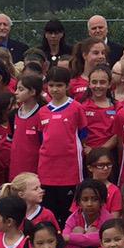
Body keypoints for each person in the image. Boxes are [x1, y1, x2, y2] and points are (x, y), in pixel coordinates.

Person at [38, 66, 89, 225]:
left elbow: (83, 133)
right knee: (49, 211)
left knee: (69, 212)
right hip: (47, 170)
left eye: (59, 85)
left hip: (70, 170)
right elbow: (42, 138)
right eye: (51, 85)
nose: (55, 89)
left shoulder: (76, 108)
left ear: (67, 86)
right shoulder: (43, 111)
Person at [64, 180, 113, 248]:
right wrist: (87, 237)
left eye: (94, 199)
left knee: (91, 239)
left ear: (102, 201)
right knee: (78, 230)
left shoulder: (107, 219)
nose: (89, 204)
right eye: (85, 199)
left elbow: (100, 239)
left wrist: (72, 238)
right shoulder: (73, 217)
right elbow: (64, 239)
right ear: (79, 202)